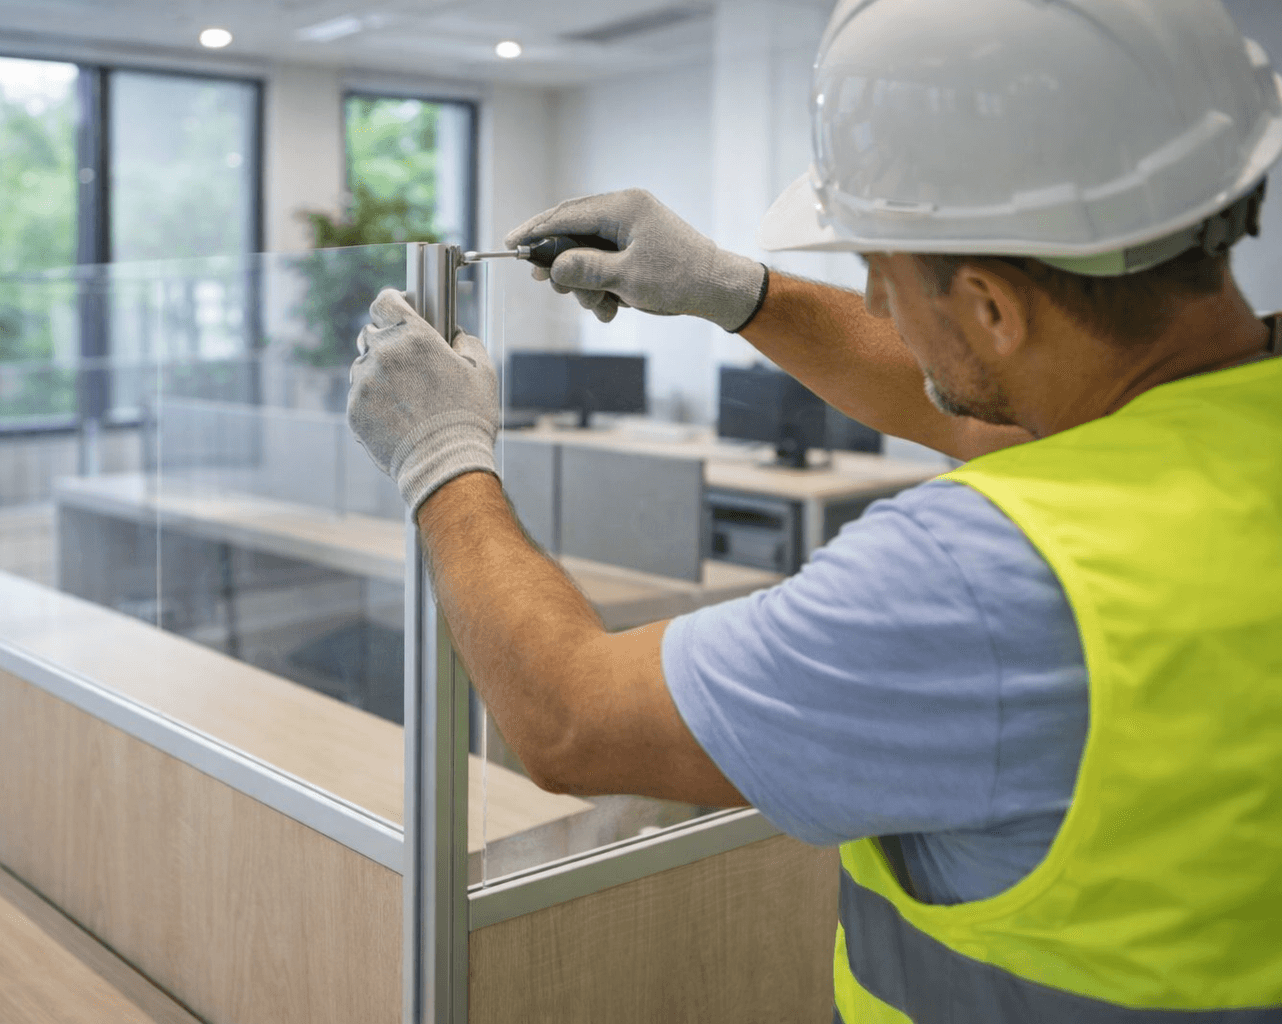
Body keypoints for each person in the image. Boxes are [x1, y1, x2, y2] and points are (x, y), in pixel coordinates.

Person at [347, 0, 1282, 1020]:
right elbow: (1017, 417)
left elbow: (571, 721)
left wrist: (441, 456)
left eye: (879, 269)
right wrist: (733, 290)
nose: (876, 304)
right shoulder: (1219, 423)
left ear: (993, 309)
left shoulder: (982, 580)